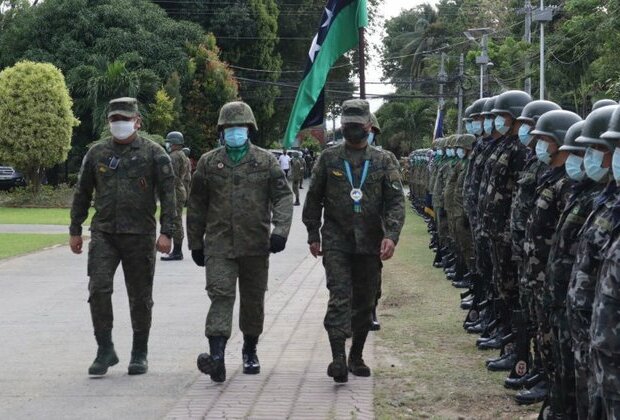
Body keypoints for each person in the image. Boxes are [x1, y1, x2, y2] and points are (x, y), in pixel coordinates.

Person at [186, 101, 294, 383]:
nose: (235, 132)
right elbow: (196, 204)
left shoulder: (265, 161)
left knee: (253, 301)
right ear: (222, 131)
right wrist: (195, 242)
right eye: (229, 128)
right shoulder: (209, 163)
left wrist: (280, 229)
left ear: (249, 129)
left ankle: (250, 349)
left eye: (240, 127)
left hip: (256, 244)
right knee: (220, 296)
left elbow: (283, 195)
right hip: (219, 244)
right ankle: (217, 357)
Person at [69, 97, 176, 376]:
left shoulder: (155, 154)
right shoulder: (96, 153)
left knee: (140, 297)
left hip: (140, 235)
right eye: (115, 120)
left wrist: (167, 232)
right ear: (109, 123)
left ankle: (139, 352)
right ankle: (105, 349)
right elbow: (82, 192)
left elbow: (169, 196)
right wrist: (75, 229)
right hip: (104, 232)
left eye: (125, 119)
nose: (120, 124)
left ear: (137, 121)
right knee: (98, 289)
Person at [302, 99, 405, 383]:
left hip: (371, 242)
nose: (352, 130)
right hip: (337, 240)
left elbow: (396, 202)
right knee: (339, 297)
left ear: (368, 127)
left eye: (357, 126)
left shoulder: (384, 161)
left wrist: (391, 236)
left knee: (365, 300)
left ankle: (356, 355)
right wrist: (313, 233)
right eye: (347, 125)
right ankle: (337, 359)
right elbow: (314, 199)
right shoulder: (329, 158)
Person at [161, 131, 192, 261]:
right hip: (179, 189)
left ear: (174, 143)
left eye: (169, 142)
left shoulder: (174, 156)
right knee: (177, 219)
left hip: (174, 190)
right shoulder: (182, 155)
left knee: (176, 220)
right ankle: (176, 250)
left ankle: (177, 251)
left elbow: (170, 176)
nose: (167, 144)